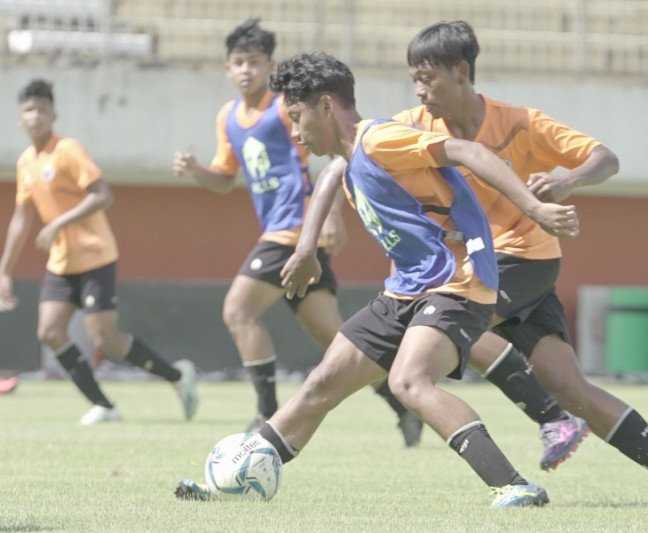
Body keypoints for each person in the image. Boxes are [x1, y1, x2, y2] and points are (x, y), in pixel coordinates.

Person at [175, 51, 579, 507]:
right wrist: (306, 250)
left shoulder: (381, 139)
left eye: (296, 117)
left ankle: (514, 485)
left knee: (410, 381)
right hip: (408, 288)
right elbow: (331, 175)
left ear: (326, 106)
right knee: (321, 382)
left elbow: (468, 150)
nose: (293, 131)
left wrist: (535, 208)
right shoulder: (348, 157)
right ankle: (226, 485)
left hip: (457, 281)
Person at [397, 21, 648, 505]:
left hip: (526, 261)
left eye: (428, 78)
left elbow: (605, 158)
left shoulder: (520, 122)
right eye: (414, 79)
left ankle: (544, 426)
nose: (420, 90)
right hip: (486, 265)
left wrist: (569, 181)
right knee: (569, 386)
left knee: (441, 332)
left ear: (461, 72)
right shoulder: (415, 126)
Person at [172, 19, 419, 441]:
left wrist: (333, 215)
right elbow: (225, 178)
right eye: (237, 63)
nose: (246, 70)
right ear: (227, 69)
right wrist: (198, 171)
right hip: (291, 238)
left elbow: (330, 154)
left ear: (269, 65)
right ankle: (403, 407)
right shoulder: (228, 117)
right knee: (340, 342)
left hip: (292, 232)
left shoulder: (285, 108)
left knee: (238, 310)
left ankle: (266, 413)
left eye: (254, 62)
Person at [0, 79, 198, 425]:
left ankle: (178, 378)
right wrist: (5, 271)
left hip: (95, 257)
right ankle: (105, 406)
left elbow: (103, 195)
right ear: (20, 118)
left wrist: (59, 223)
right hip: (61, 263)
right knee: (49, 331)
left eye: (42, 110)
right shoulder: (26, 162)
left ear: (53, 114)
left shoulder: (68, 150)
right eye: (29, 110)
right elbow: (21, 218)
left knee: (106, 341)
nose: (36, 116)